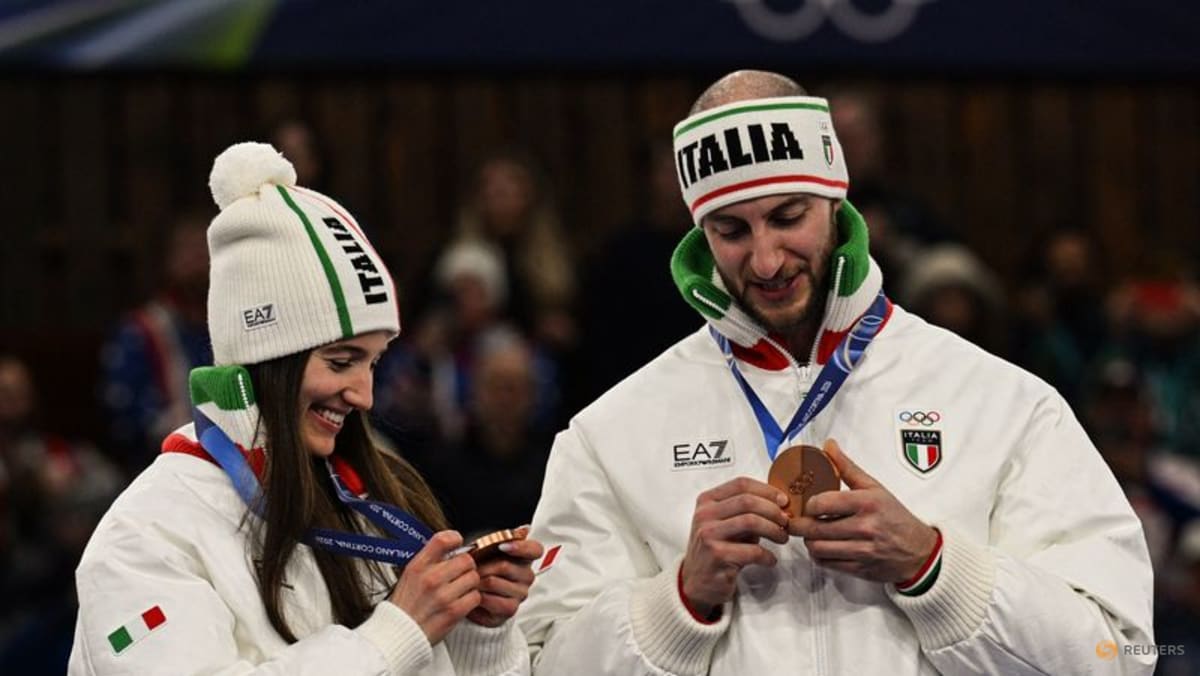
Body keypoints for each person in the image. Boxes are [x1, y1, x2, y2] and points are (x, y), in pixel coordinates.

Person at [517, 71, 1156, 675]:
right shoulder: (612, 434)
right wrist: (680, 600)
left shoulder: (1002, 402)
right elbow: (543, 662)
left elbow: (1119, 653)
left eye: (788, 217)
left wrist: (934, 567)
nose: (765, 261)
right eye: (731, 230)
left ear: (834, 197)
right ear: (698, 233)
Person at [69, 142, 542, 675]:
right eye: (341, 362)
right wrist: (395, 635)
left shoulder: (376, 496)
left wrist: (480, 632)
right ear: (270, 359)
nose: (364, 395)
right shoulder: (147, 533)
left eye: (373, 363)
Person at [99, 213, 212, 472]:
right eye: (187, 250)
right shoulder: (141, 330)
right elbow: (123, 417)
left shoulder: (229, 326)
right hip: (158, 464)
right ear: (167, 260)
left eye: (205, 249)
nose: (198, 260)